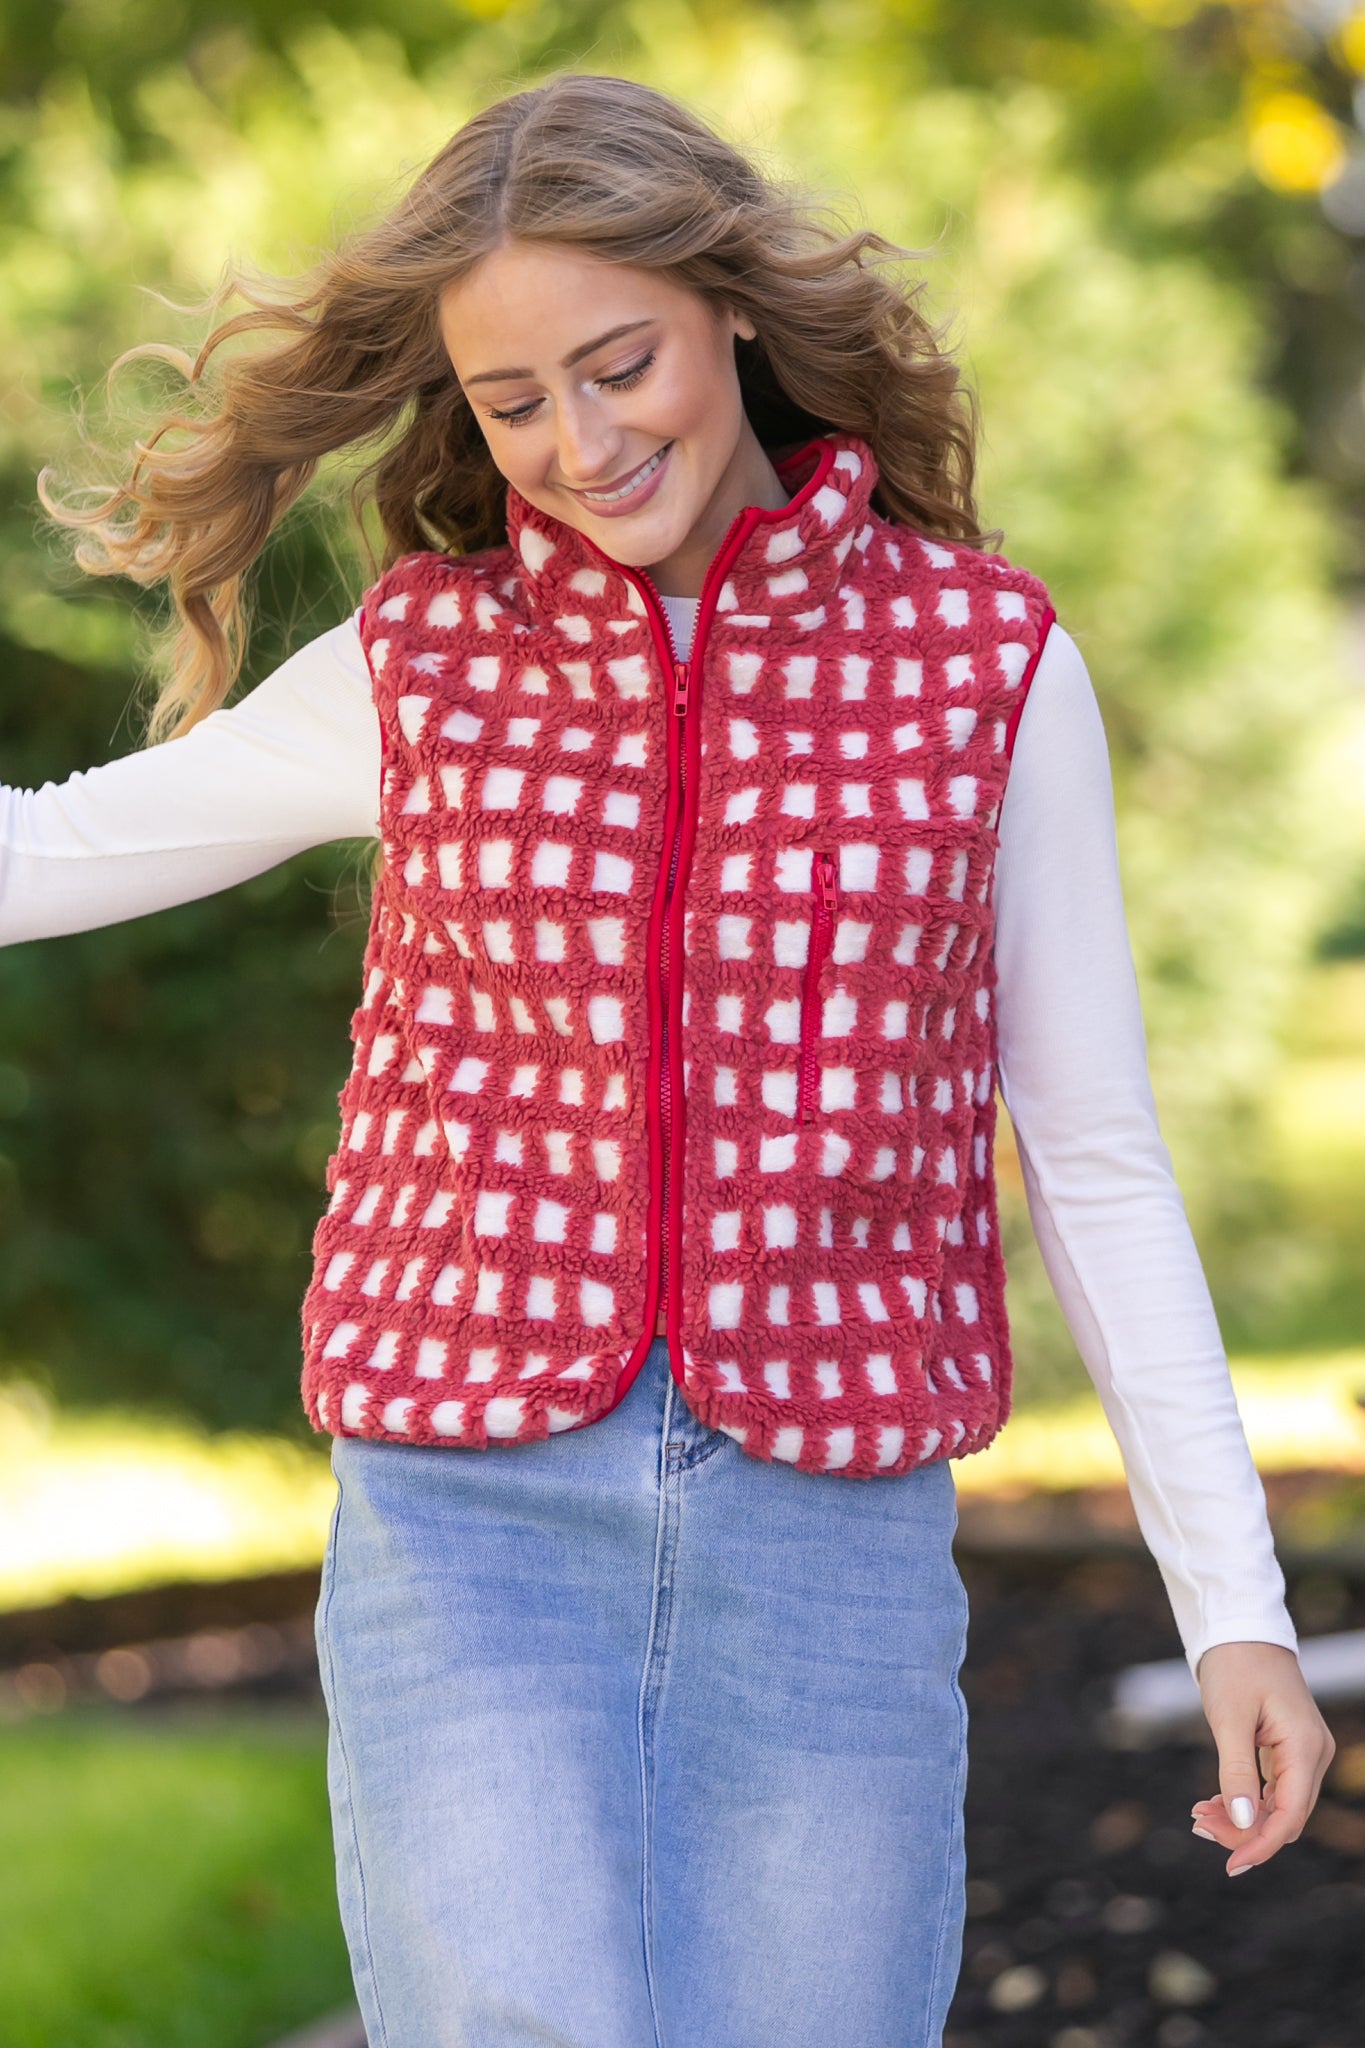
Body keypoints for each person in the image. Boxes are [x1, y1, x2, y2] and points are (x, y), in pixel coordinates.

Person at [8, 69, 1333, 2048]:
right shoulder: (426, 664)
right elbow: (54, 851)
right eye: (511, 401)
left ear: (729, 307)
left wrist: (1232, 1605)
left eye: (617, 364)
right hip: (467, 1513)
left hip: (824, 1526)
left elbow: (1091, 1156)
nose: (578, 440)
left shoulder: (982, 669)